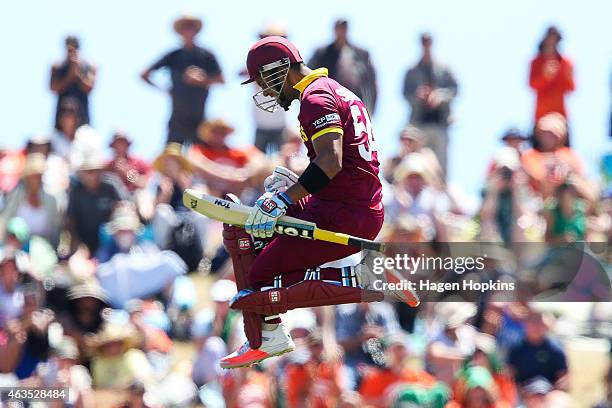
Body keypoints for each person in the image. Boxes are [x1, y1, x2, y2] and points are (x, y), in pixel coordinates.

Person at [222, 35, 390, 369]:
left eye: (263, 82)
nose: (266, 92)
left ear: (277, 70)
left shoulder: (315, 98)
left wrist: (285, 198)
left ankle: (270, 335)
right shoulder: (331, 90)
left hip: (344, 211)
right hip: (348, 205)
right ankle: (269, 328)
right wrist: (295, 188)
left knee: (260, 272)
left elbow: (331, 161)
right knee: (248, 236)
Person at [141, 15, 224, 144]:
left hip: (199, 117)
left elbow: (221, 80)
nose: (188, 31)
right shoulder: (173, 55)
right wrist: (165, 90)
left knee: (199, 158)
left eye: (191, 27)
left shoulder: (206, 55)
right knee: (172, 156)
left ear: (196, 30)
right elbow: (144, 74)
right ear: (180, 32)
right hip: (177, 118)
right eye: (185, 28)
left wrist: (202, 80)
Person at [403, 32, 458, 179]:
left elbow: (455, 89)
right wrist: (418, 95)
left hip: (440, 123)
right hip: (419, 125)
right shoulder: (412, 71)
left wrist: (439, 96)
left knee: (440, 166)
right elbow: (405, 93)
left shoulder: (445, 69)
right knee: (418, 163)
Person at [308, 19, 377, 114]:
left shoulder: (361, 54)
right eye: (339, 28)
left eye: (344, 27)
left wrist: (370, 110)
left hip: (356, 105)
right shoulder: (322, 54)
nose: (342, 30)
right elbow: (309, 78)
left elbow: (372, 82)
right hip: (329, 105)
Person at [66, 151, 124, 254]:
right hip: (84, 242)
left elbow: (123, 207)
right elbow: (71, 221)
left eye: (95, 171)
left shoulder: (111, 185)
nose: (92, 175)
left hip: (110, 241)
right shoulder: (76, 191)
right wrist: (77, 246)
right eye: (88, 172)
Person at [0, 153, 61, 247]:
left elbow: (55, 232)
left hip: (43, 251)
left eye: (40, 175)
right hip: (16, 248)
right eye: (35, 176)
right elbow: (4, 223)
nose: (38, 179)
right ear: (27, 177)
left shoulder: (51, 201)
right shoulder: (14, 196)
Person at [507, 310, 568, 390]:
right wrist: (520, 392)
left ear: (546, 327)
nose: (535, 327)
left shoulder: (555, 348)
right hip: (523, 391)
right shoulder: (516, 347)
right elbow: (509, 373)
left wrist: (553, 391)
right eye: (531, 323)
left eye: (539, 324)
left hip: (548, 391)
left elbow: (563, 376)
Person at [529, 26, 574, 123]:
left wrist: (564, 73)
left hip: (560, 115)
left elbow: (571, 88)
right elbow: (532, 85)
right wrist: (545, 76)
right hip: (541, 114)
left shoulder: (565, 62)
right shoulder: (536, 62)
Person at [50, 35, 96, 128]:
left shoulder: (89, 66)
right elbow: (53, 88)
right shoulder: (57, 66)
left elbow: (89, 88)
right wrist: (70, 75)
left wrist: (77, 72)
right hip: (60, 123)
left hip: (83, 120)